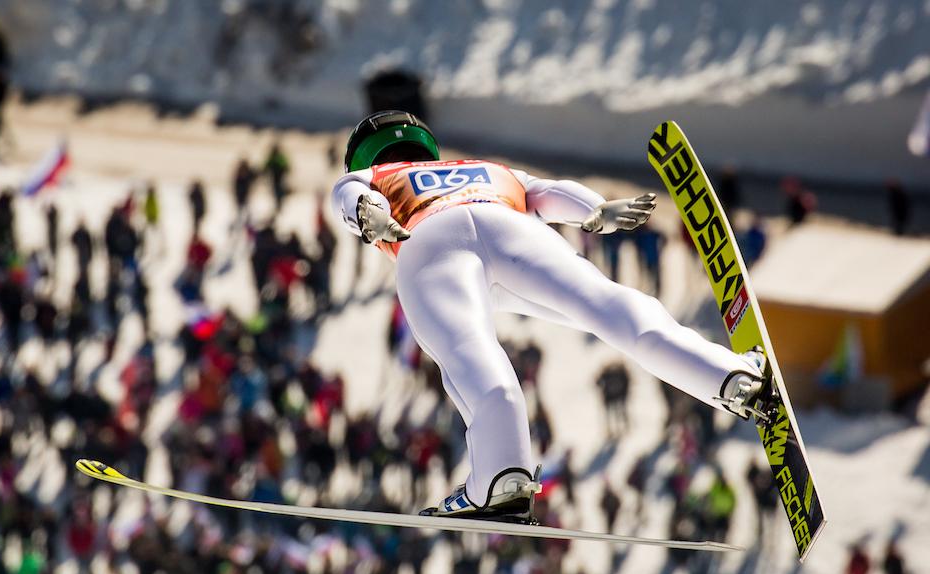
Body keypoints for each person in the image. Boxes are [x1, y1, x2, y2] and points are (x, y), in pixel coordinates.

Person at [332, 111, 775, 520]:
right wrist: (595, 211)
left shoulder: (372, 174)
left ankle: (501, 476)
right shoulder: (484, 167)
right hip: (509, 225)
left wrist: (369, 216)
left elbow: (348, 194)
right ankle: (729, 376)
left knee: (469, 353)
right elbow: (543, 192)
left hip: (428, 241)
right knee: (604, 305)